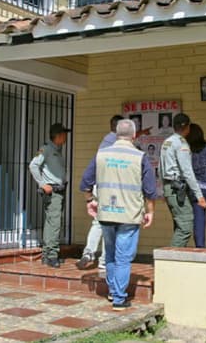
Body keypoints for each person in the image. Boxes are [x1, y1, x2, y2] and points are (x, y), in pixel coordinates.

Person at [80, 119, 157, 311]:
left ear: (116, 134)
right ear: (133, 135)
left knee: (111, 254)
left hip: (106, 213)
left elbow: (86, 181)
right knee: (123, 257)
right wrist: (150, 212)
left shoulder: (101, 154)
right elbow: (150, 189)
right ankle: (119, 299)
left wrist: (90, 201)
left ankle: (113, 291)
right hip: (129, 215)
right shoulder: (139, 157)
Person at [76, 115, 123, 270]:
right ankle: (104, 260)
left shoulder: (106, 141)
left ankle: (89, 252)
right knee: (110, 223)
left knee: (98, 222)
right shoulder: (116, 144)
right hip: (111, 189)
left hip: (98, 186)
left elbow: (91, 171)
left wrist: (89, 195)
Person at [160, 113, 206, 247]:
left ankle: (176, 259)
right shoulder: (181, 144)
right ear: (187, 127)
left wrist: (163, 188)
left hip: (170, 187)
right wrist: (199, 196)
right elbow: (187, 172)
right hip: (176, 187)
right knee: (186, 224)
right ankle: (171, 259)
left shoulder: (167, 142)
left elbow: (161, 168)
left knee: (180, 224)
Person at [28, 122, 71, 268]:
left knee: (51, 222)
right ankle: (52, 255)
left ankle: (47, 254)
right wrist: (42, 184)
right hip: (53, 191)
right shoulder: (46, 149)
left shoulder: (57, 150)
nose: (66, 137)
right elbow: (33, 165)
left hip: (59, 189)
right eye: (64, 134)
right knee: (55, 223)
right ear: (58, 136)